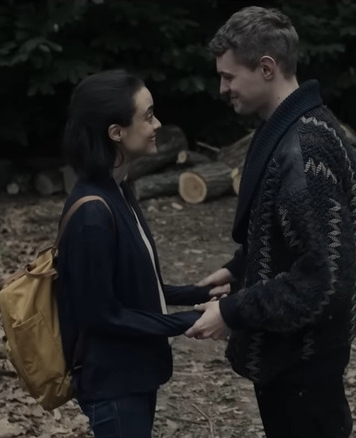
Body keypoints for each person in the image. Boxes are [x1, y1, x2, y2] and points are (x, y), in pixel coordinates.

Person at [186, 6, 356, 438]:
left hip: (304, 369)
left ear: (266, 68)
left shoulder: (306, 147)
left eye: (229, 76)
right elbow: (290, 234)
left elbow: (325, 278)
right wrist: (239, 268)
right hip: (290, 363)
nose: (222, 88)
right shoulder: (285, 130)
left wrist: (232, 310)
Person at [56, 69, 224, 438]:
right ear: (116, 133)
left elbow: (134, 287)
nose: (157, 124)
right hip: (112, 386)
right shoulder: (92, 214)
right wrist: (190, 322)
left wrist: (203, 294)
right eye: (147, 116)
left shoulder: (117, 190)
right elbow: (102, 315)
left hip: (133, 376)